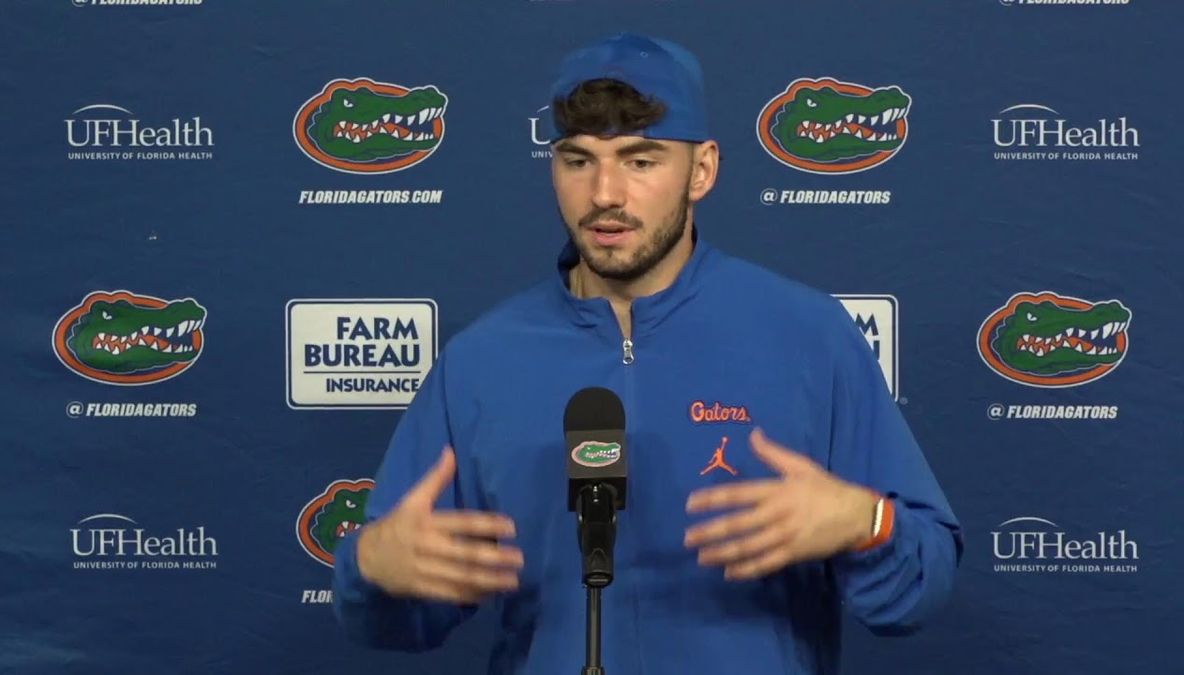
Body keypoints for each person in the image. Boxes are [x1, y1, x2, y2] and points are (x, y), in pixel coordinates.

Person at [333, 32, 962, 675]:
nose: (605, 193)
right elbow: (393, 623)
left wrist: (869, 523)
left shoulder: (808, 336)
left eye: (640, 160)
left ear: (703, 170)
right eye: (578, 161)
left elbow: (920, 591)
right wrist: (372, 569)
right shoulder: (480, 362)